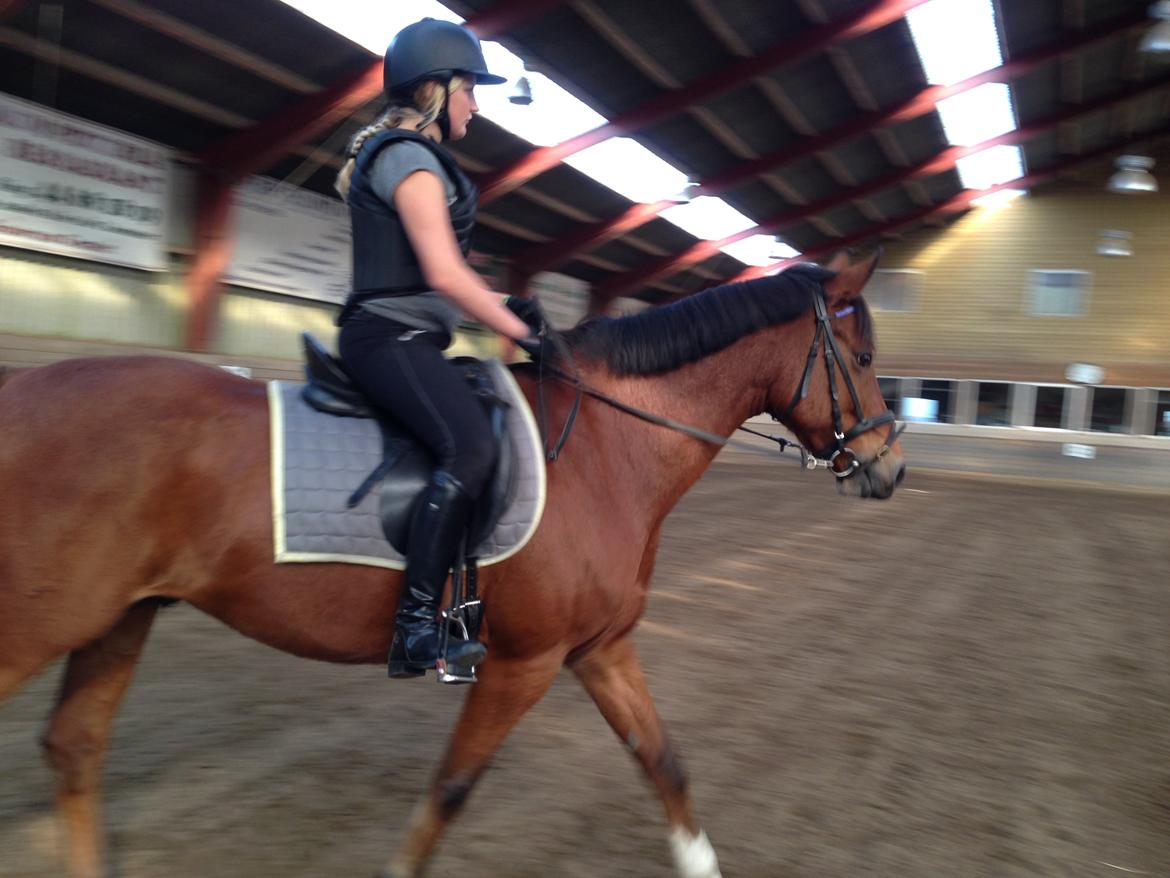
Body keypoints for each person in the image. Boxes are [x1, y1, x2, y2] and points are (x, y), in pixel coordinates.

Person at [334, 18, 543, 679]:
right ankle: (416, 627)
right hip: (389, 336)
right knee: (471, 447)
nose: (476, 105)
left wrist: (509, 308)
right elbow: (445, 274)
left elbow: (449, 275)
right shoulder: (408, 158)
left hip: (411, 334)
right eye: (470, 89)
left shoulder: (409, 155)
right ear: (434, 89)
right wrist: (523, 334)